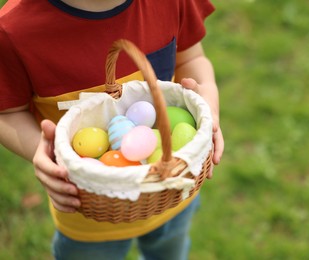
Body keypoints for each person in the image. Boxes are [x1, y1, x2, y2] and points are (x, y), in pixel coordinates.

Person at [0, 0, 224, 259]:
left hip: (173, 191)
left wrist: (209, 107)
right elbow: (7, 113)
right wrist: (41, 151)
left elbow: (192, 57)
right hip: (87, 210)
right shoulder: (13, 31)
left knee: (168, 250)